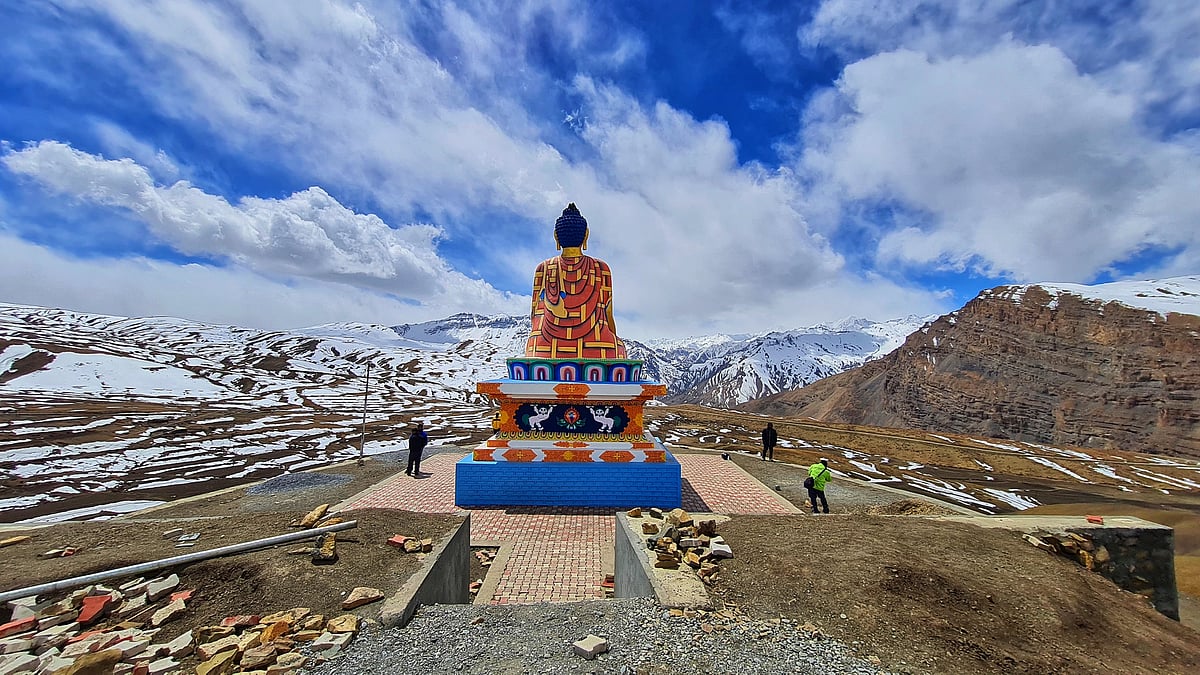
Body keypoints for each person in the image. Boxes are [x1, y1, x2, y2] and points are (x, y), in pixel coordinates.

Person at [525, 203, 627, 359]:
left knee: (535, 350)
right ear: (586, 235)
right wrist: (613, 340)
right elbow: (607, 314)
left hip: (545, 347)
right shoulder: (601, 268)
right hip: (596, 346)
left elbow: (534, 316)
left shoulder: (542, 268)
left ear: (556, 236)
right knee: (618, 350)